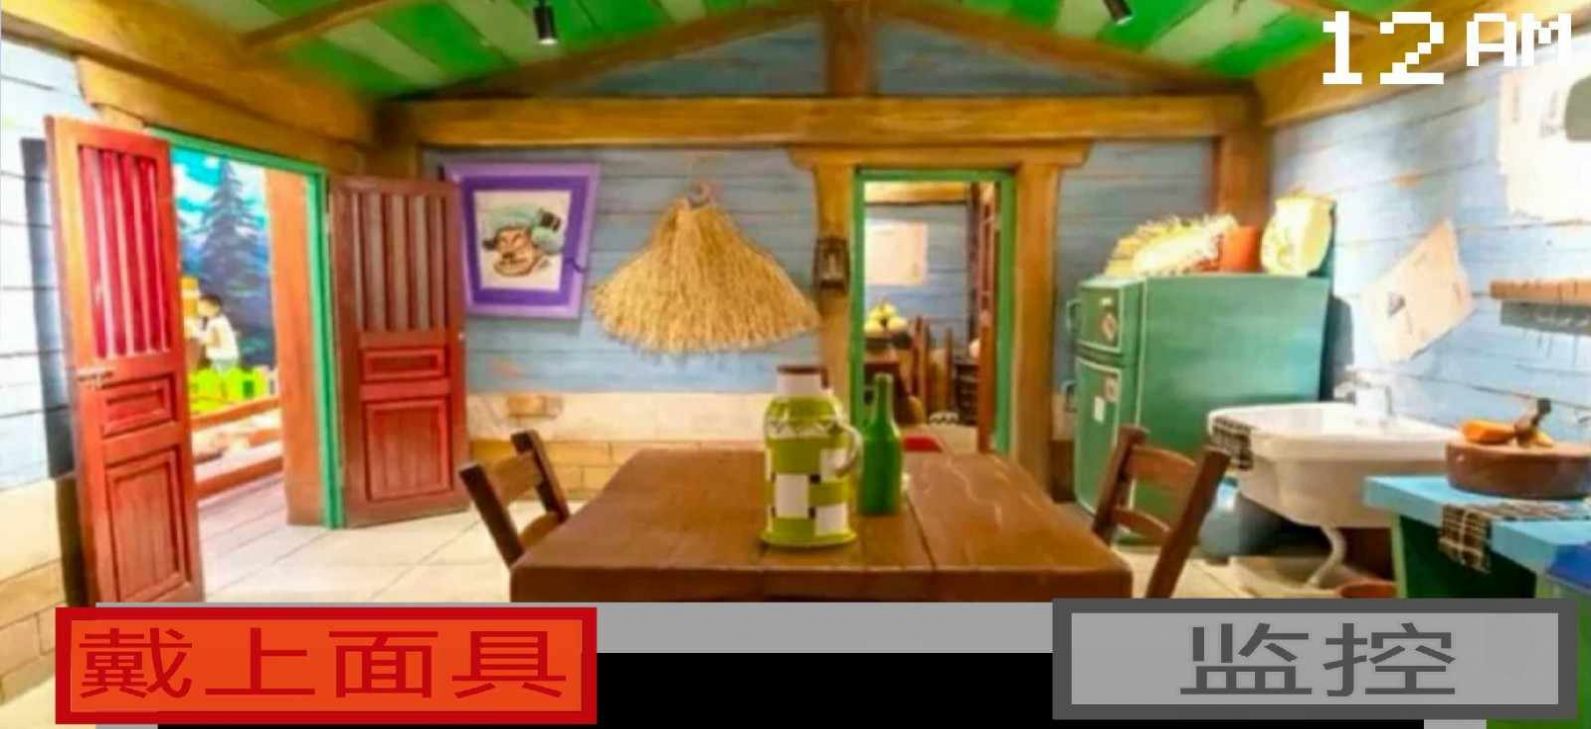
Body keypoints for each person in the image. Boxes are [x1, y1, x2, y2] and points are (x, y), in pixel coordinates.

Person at [192, 294, 240, 373]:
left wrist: (197, 333)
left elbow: (213, 341)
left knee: (219, 379)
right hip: (225, 357)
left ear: (216, 308)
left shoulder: (215, 323)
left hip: (222, 358)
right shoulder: (220, 319)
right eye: (199, 307)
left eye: (204, 307)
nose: (200, 310)